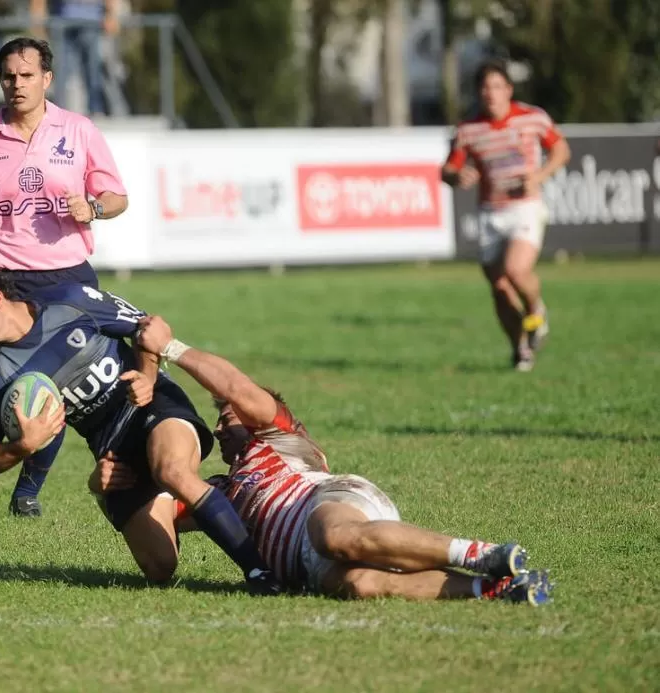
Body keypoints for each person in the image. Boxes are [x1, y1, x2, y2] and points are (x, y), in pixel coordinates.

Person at [90, 314, 554, 604]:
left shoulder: (280, 436)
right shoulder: (219, 493)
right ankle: (494, 588)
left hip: (328, 504)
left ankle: (486, 554)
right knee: (361, 585)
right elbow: (155, 522)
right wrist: (108, 487)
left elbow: (236, 389)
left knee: (335, 536)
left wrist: (171, 349)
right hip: (306, 567)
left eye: (228, 419)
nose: (219, 427)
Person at [0, 263, 281, 595]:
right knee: (160, 567)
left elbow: (148, 327)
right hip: (111, 448)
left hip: (153, 405)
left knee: (171, 469)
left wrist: (146, 375)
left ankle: (259, 572)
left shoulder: (71, 302)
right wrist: (20, 447)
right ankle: (206, 498)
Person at [0, 36, 128, 516]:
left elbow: (117, 198)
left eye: (27, 75)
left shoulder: (79, 130)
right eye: (9, 76)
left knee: (85, 380)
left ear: (47, 79)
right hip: (6, 281)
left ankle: (125, 463)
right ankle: (28, 490)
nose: (17, 84)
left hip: (69, 276)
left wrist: (91, 207)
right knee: (26, 389)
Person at [441, 59, 571, 372]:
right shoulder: (469, 129)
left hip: (524, 207)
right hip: (490, 215)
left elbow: (561, 150)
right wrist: (457, 177)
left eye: (497, 86)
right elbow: (447, 169)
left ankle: (536, 309)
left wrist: (539, 175)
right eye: (485, 87)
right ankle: (520, 349)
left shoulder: (532, 118)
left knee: (515, 270)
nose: (491, 93)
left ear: (509, 90)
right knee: (499, 289)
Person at [30, 0, 120, 116]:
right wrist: (38, 17)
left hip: (90, 21)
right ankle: (58, 111)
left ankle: (95, 109)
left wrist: (111, 15)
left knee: (93, 69)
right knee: (62, 71)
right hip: (63, 21)